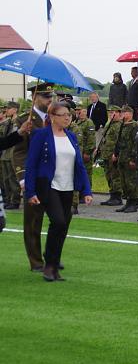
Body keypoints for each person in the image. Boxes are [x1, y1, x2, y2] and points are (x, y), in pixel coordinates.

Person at [24, 101, 92, 282]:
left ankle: (54, 264)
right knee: (58, 222)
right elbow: (31, 164)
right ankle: (49, 263)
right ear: (52, 117)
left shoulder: (71, 136)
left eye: (69, 115)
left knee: (63, 226)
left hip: (68, 187)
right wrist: (30, 192)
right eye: (63, 115)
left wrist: (86, 190)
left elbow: (79, 165)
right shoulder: (41, 135)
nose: (67, 118)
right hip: (49, 186)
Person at [13, 85, 52, 272]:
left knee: (60, 220)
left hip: (54, 178)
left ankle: (52, 256)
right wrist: (22, 178)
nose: (49, 100)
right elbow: (19, 152)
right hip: (34, 178)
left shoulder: (55, 119)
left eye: (51, 96)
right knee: (33, 222)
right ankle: (36, 261)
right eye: (45, 96)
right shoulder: (24, 120)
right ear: (35, 97)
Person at [115, 106, 138, 213]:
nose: (122, 114)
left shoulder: (134, 126)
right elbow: (119, 141)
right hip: (122, 157)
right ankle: (127, 202)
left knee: (131, 181)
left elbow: (136, 143)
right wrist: (116, 154)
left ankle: (133, 203)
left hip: (129, 157)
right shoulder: (122, 125)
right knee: (124, 181)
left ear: (130, 114)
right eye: (122, 112)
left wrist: (133, 158)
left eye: (124, 112)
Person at [99, 105, 124, 206]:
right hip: (106, 154)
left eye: (113, 112)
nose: (111, 114)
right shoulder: (109, 124)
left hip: (113, 154)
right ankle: (112, 195)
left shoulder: (118, 125)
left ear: (119, 113)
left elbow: (119, 141)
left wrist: (116, 154)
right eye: (109, 112)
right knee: (109, 175)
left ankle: (117, 197)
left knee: (115, 176)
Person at [0, 101, 21, 209]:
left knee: (13, 178)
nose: (6, 110)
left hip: (13, 153)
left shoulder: (18, 121)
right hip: (5, 153)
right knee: (6, 179)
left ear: (15, 109)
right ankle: (7, 200)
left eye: (9, 108)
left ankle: (15, 201)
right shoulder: (7, 122)